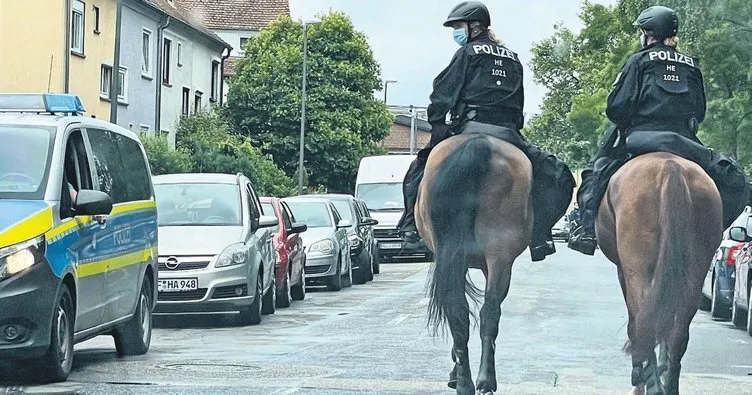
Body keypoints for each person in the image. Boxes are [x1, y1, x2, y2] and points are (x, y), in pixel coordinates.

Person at [397, 1, 575, 262]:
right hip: (508, 133)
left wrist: (439, 129)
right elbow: (518, 102)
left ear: (475, 27)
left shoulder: (467, 53)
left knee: (418, 171)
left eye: (458, 27)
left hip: (470, 126)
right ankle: (540, 235)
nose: (456, 33)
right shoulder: (513, 58)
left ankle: (410, 227)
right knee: (556, 176)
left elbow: (443, 93)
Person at [568, 6, 707, 255]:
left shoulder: (638, 61)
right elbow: (700, 111)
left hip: (640, 140)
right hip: (685, 143)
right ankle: (713, 232)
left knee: (596, 175)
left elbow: (617, 107)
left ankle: (586, 231)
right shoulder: (691, 65)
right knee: (728, 178)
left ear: (647, 33)